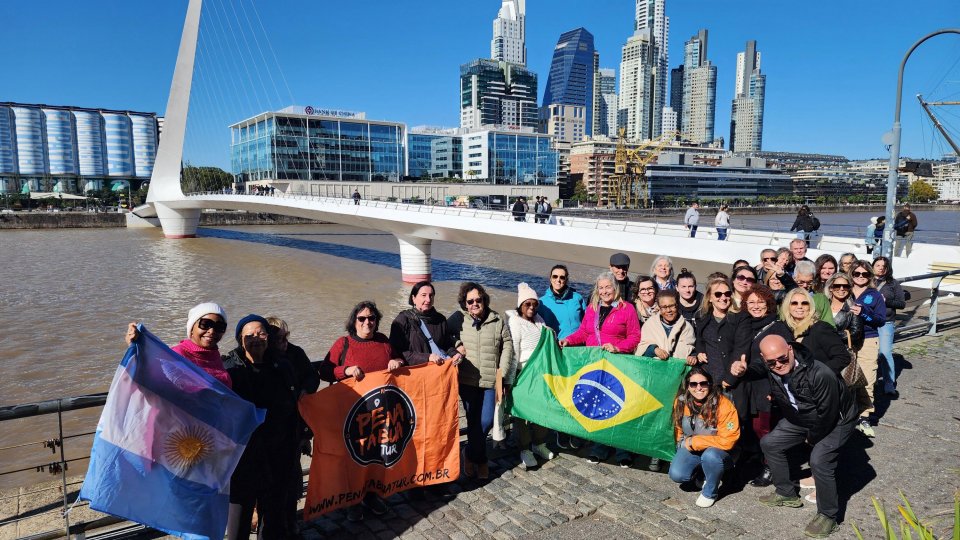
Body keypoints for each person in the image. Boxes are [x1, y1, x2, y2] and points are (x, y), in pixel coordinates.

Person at [757, 334, 856, 539]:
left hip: (837, 419)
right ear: (764, 359)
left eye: (783, 359)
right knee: (770, 443)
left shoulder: (820, 373)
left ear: (791, 350)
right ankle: (786, 493)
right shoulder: (772, 366)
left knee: (819, 460)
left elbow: (827, 415)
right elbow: (758, 370)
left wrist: (811, 438)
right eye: (771, 362)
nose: (778, 364)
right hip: (803, 415)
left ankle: (829, 516)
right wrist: (741, 371)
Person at [317, 302, 405, 521]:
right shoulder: (343, 343)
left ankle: (372, 495)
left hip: (380, 413)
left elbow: (400, 359)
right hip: (350, 414)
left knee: (376, 455)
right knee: (352, 458)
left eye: (372, 318)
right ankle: (352, 500)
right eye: (362, 318)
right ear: (354, 321)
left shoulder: (383, 341)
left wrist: (397, 361)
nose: (367, 322)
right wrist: (345, 370)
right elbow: (324, 371)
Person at [224, 314, 301, 540]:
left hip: (278, 453)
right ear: (240, 339)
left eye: (261, 333)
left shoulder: (282, 365)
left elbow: (293, 404)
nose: (256, 338)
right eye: (249, 334)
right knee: (238, 523)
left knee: (273, 521)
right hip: (243, 458)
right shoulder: (228, 368)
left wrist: (296, 439)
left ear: (269, 337)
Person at [559, 271, 642, 467]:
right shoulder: (592, 308)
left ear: (616, 288)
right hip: (594, 365)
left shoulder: (626, 308)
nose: (605, 291)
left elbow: (635, 337)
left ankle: (623, 450)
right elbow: (584, 332)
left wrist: (618, 348)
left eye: (608, 287)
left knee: (618, 406)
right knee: (597, 406)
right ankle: (599, 447)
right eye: (601, 287)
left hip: (617, 366)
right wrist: (568, 340)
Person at [448, 282, 513, 480]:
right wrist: (456, 344)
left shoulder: (497, 319)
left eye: (478, 299)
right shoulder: (458, 319)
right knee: (472, 420)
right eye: (470, 301)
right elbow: (443, 336)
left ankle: (469, 453)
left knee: (485, 422)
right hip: (467, 381)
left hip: (491, 380)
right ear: (464, 304)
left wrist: (503, 371)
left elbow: (508, 344)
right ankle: (481, 459)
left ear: (484, 299)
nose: (475, 303)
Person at [729, 286, 780, 487]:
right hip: (747, 385)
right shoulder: (744, 324)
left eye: (760, 302)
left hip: (766, 386)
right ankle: (756, 459)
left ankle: (771, 468)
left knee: (765, 430)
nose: (756, 306)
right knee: (750, 427)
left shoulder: (777, 327)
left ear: (768, 303)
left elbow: (775, 362)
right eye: (751, 302)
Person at [668, 367, 740, 508]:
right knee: (677, 474)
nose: (698, 388)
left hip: (720, 451)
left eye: (703, 383)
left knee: (711, 456)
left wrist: (695, 441)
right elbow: (678, 428)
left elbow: (729, 439)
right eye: (693, 384)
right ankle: (702, 472)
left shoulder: (724, 405)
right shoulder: (681, 402)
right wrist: (680, 448)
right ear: (687, 386)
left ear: (710, 384)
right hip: (693, 447)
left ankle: (711, 491)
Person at [504, 283, 555, 469]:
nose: (532, 308)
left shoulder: (540, 320)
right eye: (528, 304)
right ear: (520, 305)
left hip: (541, 374)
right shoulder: (515, 323)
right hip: (523, 373)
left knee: (542, 410)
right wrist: (509, 380)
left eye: (535, 304)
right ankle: (525, 448)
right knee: (523, 413)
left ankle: (539, 443)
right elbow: (514, 352)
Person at [125, 302, 232, 388]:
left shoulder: (214, 354)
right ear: (191, 329)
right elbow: (150, 378)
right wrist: (136, 346)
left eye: (219, 327)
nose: (212, 331)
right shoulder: (176, 355)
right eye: (205, 324)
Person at [849, 260, 886, 437]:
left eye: (865, 274)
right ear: (852, 274)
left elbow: (880, 320)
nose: (861, 277)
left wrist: (864, 313)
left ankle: (864, 416)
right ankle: (848, 412)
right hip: (847, 340)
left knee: (867, 379)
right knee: (846, 378)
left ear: (870, 276)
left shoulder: (874, 295)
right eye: (857, 274)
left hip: (868, 340)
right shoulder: (844, 290)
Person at [389, 281, 463, 367]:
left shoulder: (440, 319)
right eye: (423, 295)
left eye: (431, 295)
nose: (428, 299)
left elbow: (446, 345)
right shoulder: (402, 320)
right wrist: (427, 357)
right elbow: (396, 352)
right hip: (414, 373)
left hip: (437, 371)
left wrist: (455, 354)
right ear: (413, 298)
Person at [692, 278, 738, 390]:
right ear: (710, 298)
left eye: (727, 294)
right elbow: (699, 338)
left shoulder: (738, 318)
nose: (723, 298)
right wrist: (700, 351)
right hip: (708, 378)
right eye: (718, 294)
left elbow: (740, 348)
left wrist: (731, 377)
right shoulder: (701, 317)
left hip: (729, 380)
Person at [872, 256, 905, 398]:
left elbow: (901, 303)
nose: (880, 267)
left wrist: (887, 301)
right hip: (869, 322)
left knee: (884, 352)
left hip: (886, 322)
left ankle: (889, 383)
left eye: (883, 265)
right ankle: (869, 381)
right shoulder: (867, 281)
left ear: (887, 268)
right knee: (869, 353)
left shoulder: (893, 284)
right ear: (872, 266)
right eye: (877, 265)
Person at [638, 290, 696, 362]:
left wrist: (692, 357)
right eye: (664, 307)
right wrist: (654, 350)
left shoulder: (687, 327)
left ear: (677, 305)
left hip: (676, 370)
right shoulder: (650, 325)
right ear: (659, 308)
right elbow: (641, 350)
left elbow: (691, 349)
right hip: (653, 369)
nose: (668, 310)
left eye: (672, 306)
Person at [538, 264, 587, 340]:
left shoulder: (577, 298)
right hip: (556, 346)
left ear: (566, 280)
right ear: (550, 279)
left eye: (562, 277)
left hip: (578, 346)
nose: (558, 280)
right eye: (555, 276)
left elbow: (587, 322)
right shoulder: (542, 302)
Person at [793, 261, 835, 327]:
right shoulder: (786, 296)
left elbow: (829, 325)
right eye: (801, 282)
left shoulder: (821, 299)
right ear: (794, 279)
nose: (805, 285)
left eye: (809, 282)